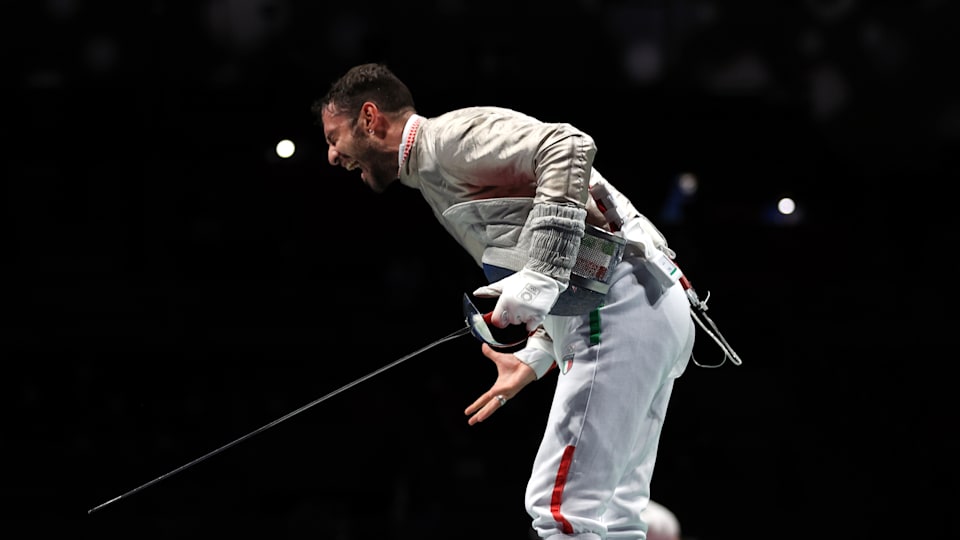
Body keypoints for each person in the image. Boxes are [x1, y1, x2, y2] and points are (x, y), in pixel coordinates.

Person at [313, 62, 695, 540]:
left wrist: (543, 272)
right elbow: (563, 252)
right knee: (616, 516)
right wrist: (538, 352)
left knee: (561, 509)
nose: (332, 156)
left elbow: (568, 146)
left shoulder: (446, 139)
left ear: (370, 119)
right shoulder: (431, 172)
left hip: (620, 304)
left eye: (334, 138)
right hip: (647, 302)